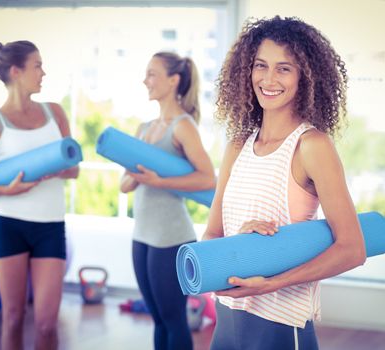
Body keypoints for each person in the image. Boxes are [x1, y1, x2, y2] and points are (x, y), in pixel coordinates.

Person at [202, 16, 367, 350]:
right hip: (227, 323)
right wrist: (239, 247)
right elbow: (212, 235)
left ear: (305, 77)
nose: (269, 78)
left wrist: (272, 283)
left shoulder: (312, 146)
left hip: (280, 327)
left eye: (284, 69)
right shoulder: (237, 146)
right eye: (260, 66)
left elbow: (353, 249)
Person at [0, 40, 79, 350]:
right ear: (16, 71)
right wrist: (5, 190)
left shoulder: (55, 113)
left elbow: (74, 169)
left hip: (50, 227)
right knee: (12, 317)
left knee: (47, 324)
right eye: (37, 65)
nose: (43, 72)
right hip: (9, 226)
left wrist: (57, 170)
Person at [120, 52, 215, 350]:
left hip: (171, 238)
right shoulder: (144, 128)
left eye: (152, 74)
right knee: (158, 319)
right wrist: (137, 176)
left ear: (174, 80)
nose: (145, 80)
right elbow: (124, 185)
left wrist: (161, 181)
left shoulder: (183, 126)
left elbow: (207, 178)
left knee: (173, 319)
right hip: (143, 235)